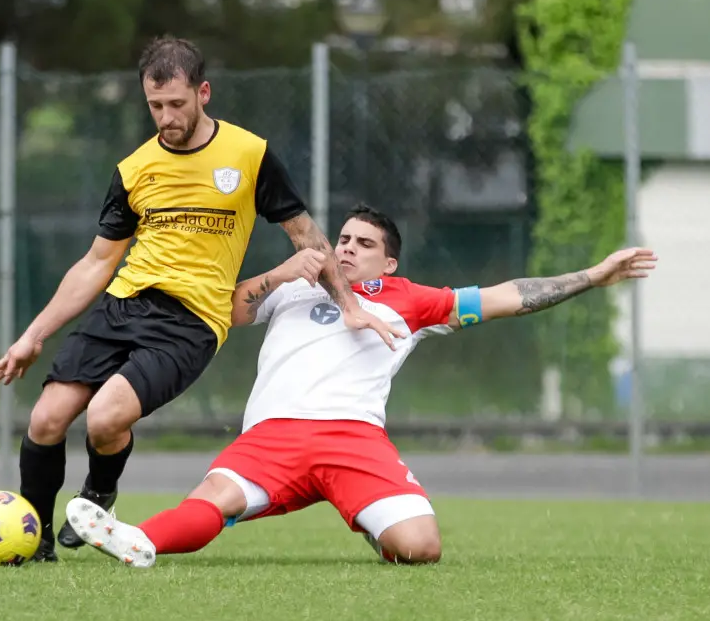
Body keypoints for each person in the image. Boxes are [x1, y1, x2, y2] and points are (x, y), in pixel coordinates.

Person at [0, 37, 403, 562]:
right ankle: (35, 540)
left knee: (105, 418)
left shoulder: (248, 154)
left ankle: (98, 494)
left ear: (203, 93)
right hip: (123, 304)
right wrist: (32, 337)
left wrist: (350, 306)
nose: (166, 117)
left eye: (177, 104)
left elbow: (308, 237)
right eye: (155, 105)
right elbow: (96, 263)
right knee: (46, 419)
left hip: (190, 322)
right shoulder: (135, 168)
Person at [64, 202, 658, 567]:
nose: (347, 249)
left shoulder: (411, 299)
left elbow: (506, 296)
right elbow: (227, 310)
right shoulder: (296, 285)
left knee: (421, 548)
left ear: (388, 263)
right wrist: (280, 272)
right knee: (213, 502)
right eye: (342, 239)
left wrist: (593, 276)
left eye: (364, 244)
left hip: (354, 439)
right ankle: (134, 539)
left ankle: (374, 525)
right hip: (274, 435)